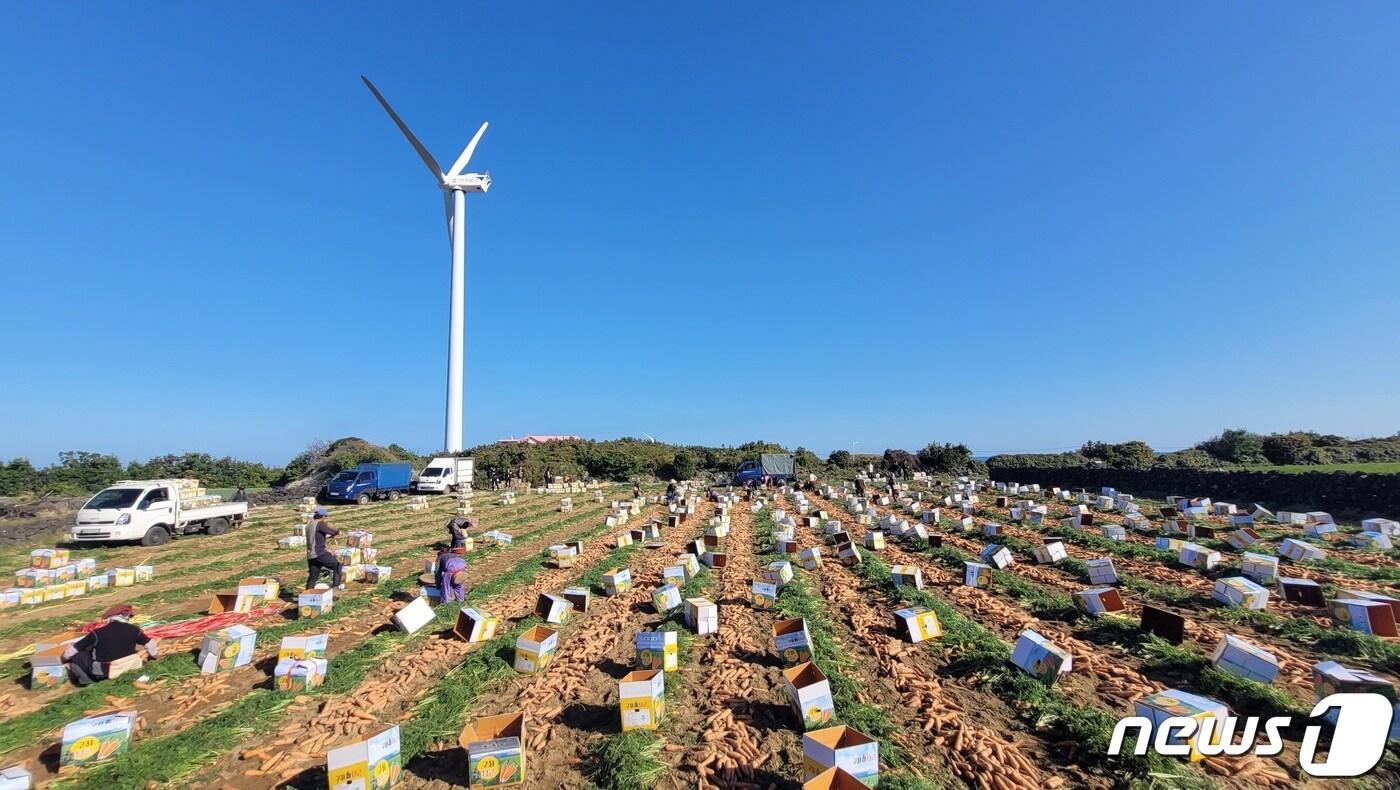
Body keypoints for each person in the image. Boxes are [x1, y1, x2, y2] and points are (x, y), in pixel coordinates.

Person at [63, 604, 158, 686]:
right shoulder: (134, 629)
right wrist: (153, 657)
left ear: (110, 618)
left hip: (106, 672)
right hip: (132, 667)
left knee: (78, 655)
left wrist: (64, 658)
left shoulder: (97, 633)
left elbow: (73, 649)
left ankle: (86, 681)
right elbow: (150, 644)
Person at [305, 508, 343, 590]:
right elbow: (331, 531)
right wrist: (337, 532)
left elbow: (316, 537)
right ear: (323, 516)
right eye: (325, 516)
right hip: (320, 554)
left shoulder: (309, 525)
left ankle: (307, 594)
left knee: (313, 577)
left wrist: (327, 536)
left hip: (311, 556)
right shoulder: (320, 523)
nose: (325, 518)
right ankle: (335, 589)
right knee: (338, 566)